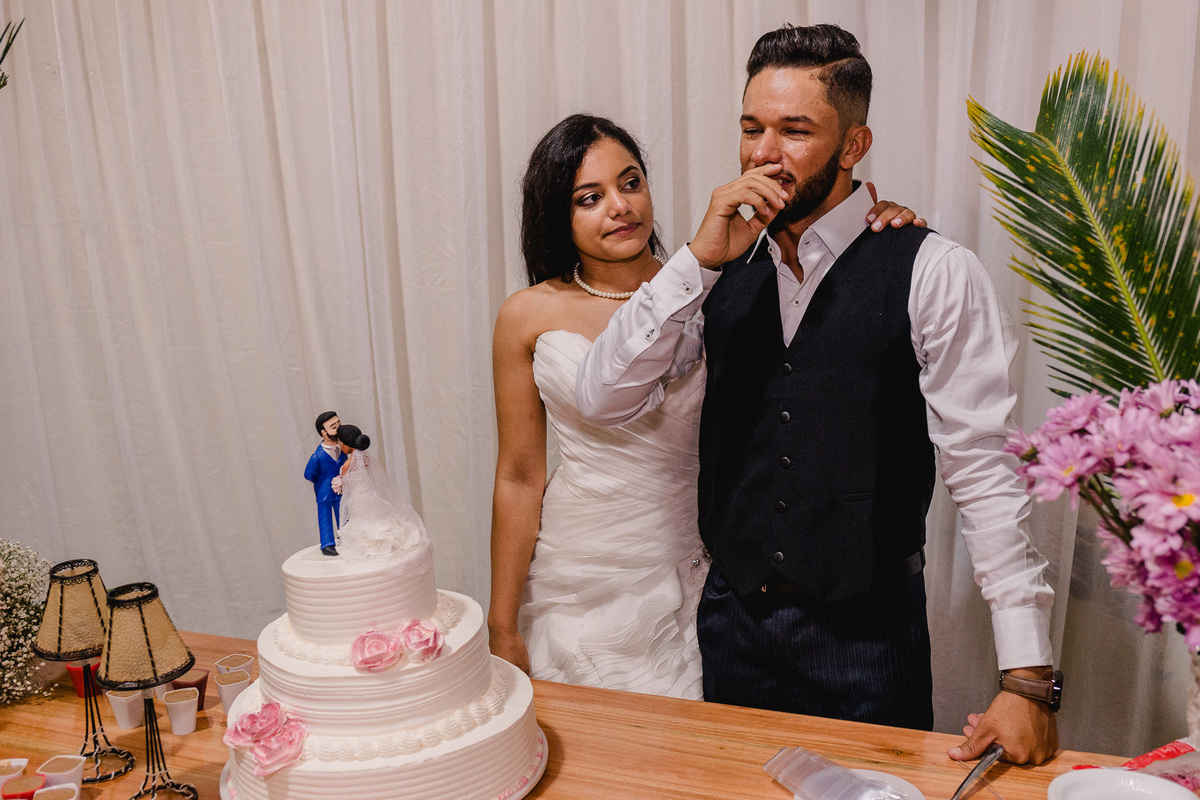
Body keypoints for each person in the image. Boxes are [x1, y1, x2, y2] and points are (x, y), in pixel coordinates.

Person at [574, 24, 1059, 765]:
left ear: (853, 146)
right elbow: (601, 399)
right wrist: (696, 262)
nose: (764, 153)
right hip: (731, 631)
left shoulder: (932, 268)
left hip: (866, 640)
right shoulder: (711, 268)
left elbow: (985, 474)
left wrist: (1026, 679)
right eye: (751, 127)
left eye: (795, 130)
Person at [487, 113, 918, 699]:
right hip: (575, 573)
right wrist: (502, 619)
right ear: (555, 215)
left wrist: (880, 229)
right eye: (590, 197)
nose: (620, 206)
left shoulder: (719, 287)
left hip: (692, 568)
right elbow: (518, 475)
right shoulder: (525, 314)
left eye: (630, 182)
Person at [332, 424, 429, 562]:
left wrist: (339, 484)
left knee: (363, 522)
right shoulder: (365, 457)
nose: (340, 446)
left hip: (358, 498)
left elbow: (346, 484)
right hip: (369, 494)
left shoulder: (348, 464)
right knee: (376, 518)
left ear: (346, 443)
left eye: (340, 442)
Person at [304, 411, 346, 556]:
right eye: (333, 427)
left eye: (339, 424)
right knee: (325, 516)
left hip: (341, 490)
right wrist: (322, 482)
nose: (338, 429)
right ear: (323, 432)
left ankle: (346, 538)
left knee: (343, 513)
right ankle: (327, 544)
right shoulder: (317, 456)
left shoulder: (343, 450)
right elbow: (308, 474)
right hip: (324, 492)